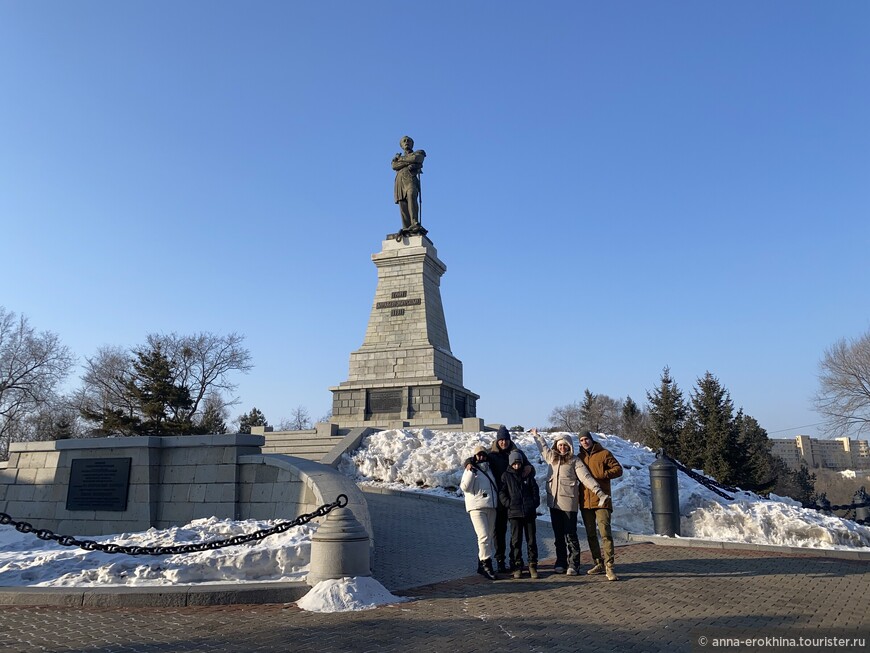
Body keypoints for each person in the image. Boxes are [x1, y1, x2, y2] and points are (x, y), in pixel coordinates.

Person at [531, 428, 609, 575]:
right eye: (560, 445)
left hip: (568, 504)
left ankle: (574, 563)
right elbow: (543, 448)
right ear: (556, 446)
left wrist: (598, 491)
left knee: (570, 534)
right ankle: (560, 561)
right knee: (558, 535)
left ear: (569, 446)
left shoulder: (575, 461)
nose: (562, 448)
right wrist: (537, 436)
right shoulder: (551, 458)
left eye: (565, 445)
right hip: (554, 503)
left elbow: (586, 477)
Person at [465, 426, 534, 573]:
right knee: (499, 531)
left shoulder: (517, 453)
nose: (503, 442)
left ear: (509, 440)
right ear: (497, 440)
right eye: (501, 440)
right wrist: (468, 463)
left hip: (516, 500)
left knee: (516, 534)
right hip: (500, 498)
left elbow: (528, 467)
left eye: (506, 439)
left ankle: (515, 560)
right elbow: (477, 458)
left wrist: (530, 468)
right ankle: (500, 560)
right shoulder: (492, 454)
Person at [577, 430, 624, 581]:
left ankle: (610, 566)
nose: (585, 442)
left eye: (587, 439)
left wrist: (603, 475)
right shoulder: (579, 458)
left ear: (591, 440)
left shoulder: (604, 453)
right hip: (586, 501)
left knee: (605, 533)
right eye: (582, 440)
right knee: (591, 534)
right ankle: (598, 562)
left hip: (602, 500)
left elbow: (618, 470)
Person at [499, 450, 541, 579]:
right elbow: (502, 492)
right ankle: (517, 566)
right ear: (511, 464)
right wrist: (509, 504)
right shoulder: (506, 476)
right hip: (514, 514)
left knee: (531, 540)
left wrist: (533, 504)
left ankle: (532, 565)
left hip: (528, 513)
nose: (517, 466)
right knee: (516, 541)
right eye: (514, 464)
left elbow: (535, 491)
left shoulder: (527, 475)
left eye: (519, 463)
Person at [459, 444, 499, 580]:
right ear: (474, 456)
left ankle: (481, 564)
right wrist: (470, 471)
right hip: (477, 507)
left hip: (491, 506)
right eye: (478, 455)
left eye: (483, 454)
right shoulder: (470, 469)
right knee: (483, 536)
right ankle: (486, 564)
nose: (481, 457)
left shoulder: (490, 469)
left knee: (488, 536)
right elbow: (464, 487)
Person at [392, 136, 426, 234]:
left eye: (408, 140)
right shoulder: (396, 158)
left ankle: (414, 223)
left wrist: (401, 160)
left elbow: (417, 158)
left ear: (412, 144)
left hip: (411, 179)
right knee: (402, 203)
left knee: (411, 196)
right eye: (404, 141)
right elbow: (394, 166)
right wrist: (408, 161)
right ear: (401, 145)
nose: (406, 142)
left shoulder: (419, 152)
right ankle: (406, 227)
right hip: (400, 181)